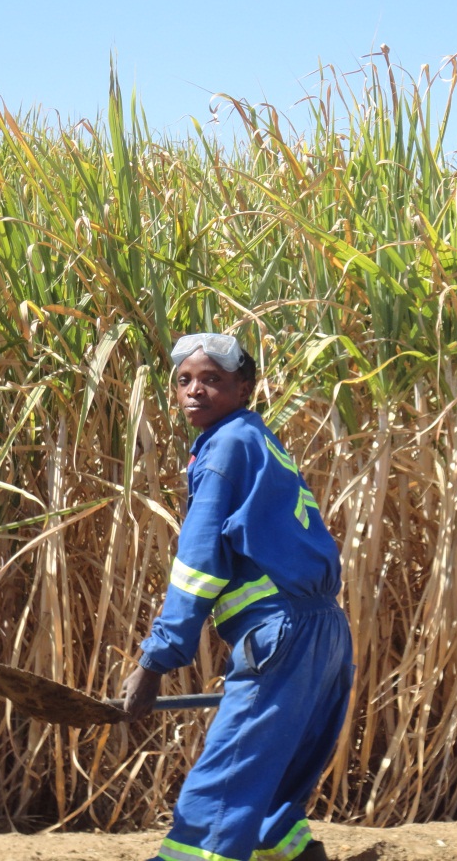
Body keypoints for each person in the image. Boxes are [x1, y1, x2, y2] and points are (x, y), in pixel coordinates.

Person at [122, 331, 353, 861]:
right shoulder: (258, 439)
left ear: (245, 386)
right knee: (270, 778)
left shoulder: (224, 448)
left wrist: (155, 662)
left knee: (223, 787)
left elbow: (198, 565)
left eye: (213, 380)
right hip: (322, 633)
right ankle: (294, 853)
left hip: (281, 632)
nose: (194, 391)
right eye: (184, 381)